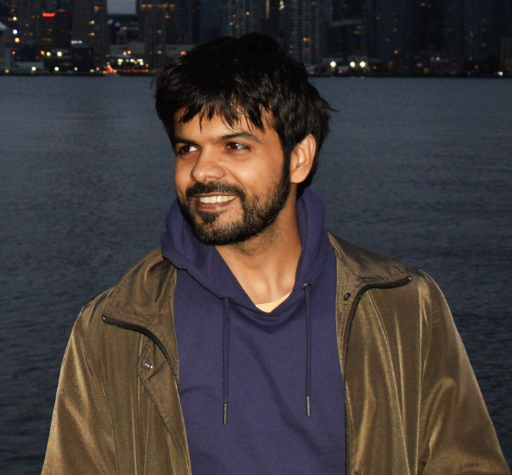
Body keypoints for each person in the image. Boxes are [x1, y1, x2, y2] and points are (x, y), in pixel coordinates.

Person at [43, 33, 509, 474]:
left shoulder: (402, 305)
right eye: (188, 148)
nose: (202, 170)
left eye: (235, 146)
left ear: (299, 158)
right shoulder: (116, 326)